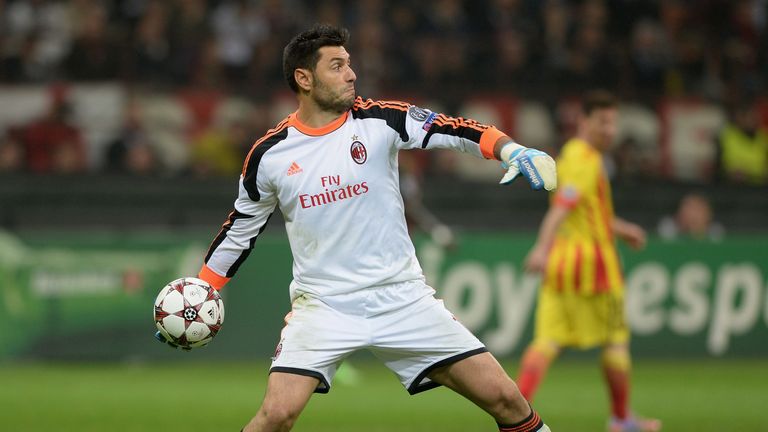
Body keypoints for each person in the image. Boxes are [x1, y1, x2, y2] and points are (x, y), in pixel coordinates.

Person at [156, 24, 556, 432]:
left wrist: (511, 148)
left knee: (507, 400)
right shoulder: (270, 154)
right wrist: (201, 292)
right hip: (324, 306)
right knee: (276, 416)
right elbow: (240, 230)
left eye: (349, 64)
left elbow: (451, 129)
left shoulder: (379, 120)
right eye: (337, 66)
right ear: (304, 78)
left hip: (402, 298)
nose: (351, 74)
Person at [517, 91, 661, 432]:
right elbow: (562, 209)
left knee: (546, 342)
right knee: (615, 341)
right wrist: (539, 245)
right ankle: (621, 418)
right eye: (603, 122)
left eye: (613, 122)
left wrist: (621, 229)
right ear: (584, 122)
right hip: (594, 267)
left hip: (561, 264)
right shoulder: (588, 160)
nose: (610, 130)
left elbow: (585, 212)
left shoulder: (567, 156)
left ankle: (512, 415)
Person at [657, 193, 724, 241]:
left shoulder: (716, 232)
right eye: (689, 209)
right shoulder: (668, 230)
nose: (693, 215)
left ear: (708, 214)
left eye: (698, 210)